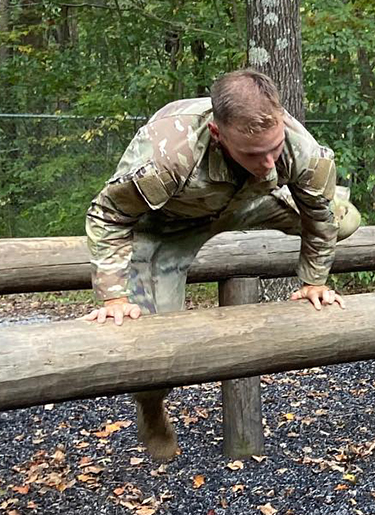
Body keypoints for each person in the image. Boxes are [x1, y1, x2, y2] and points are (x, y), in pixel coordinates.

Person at [82, 68, 360, 462]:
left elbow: (318, 216)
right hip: (165, 227)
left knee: (343, 218)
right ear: (217, 134)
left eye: (273, 148)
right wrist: (113, 295)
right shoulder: (169, 154)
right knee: (152, 348)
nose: (267, 163)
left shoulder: (299, 148)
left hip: (246, 203)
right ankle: (151, 404)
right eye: (252, 153)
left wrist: (313, 281)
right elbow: (107, 215)